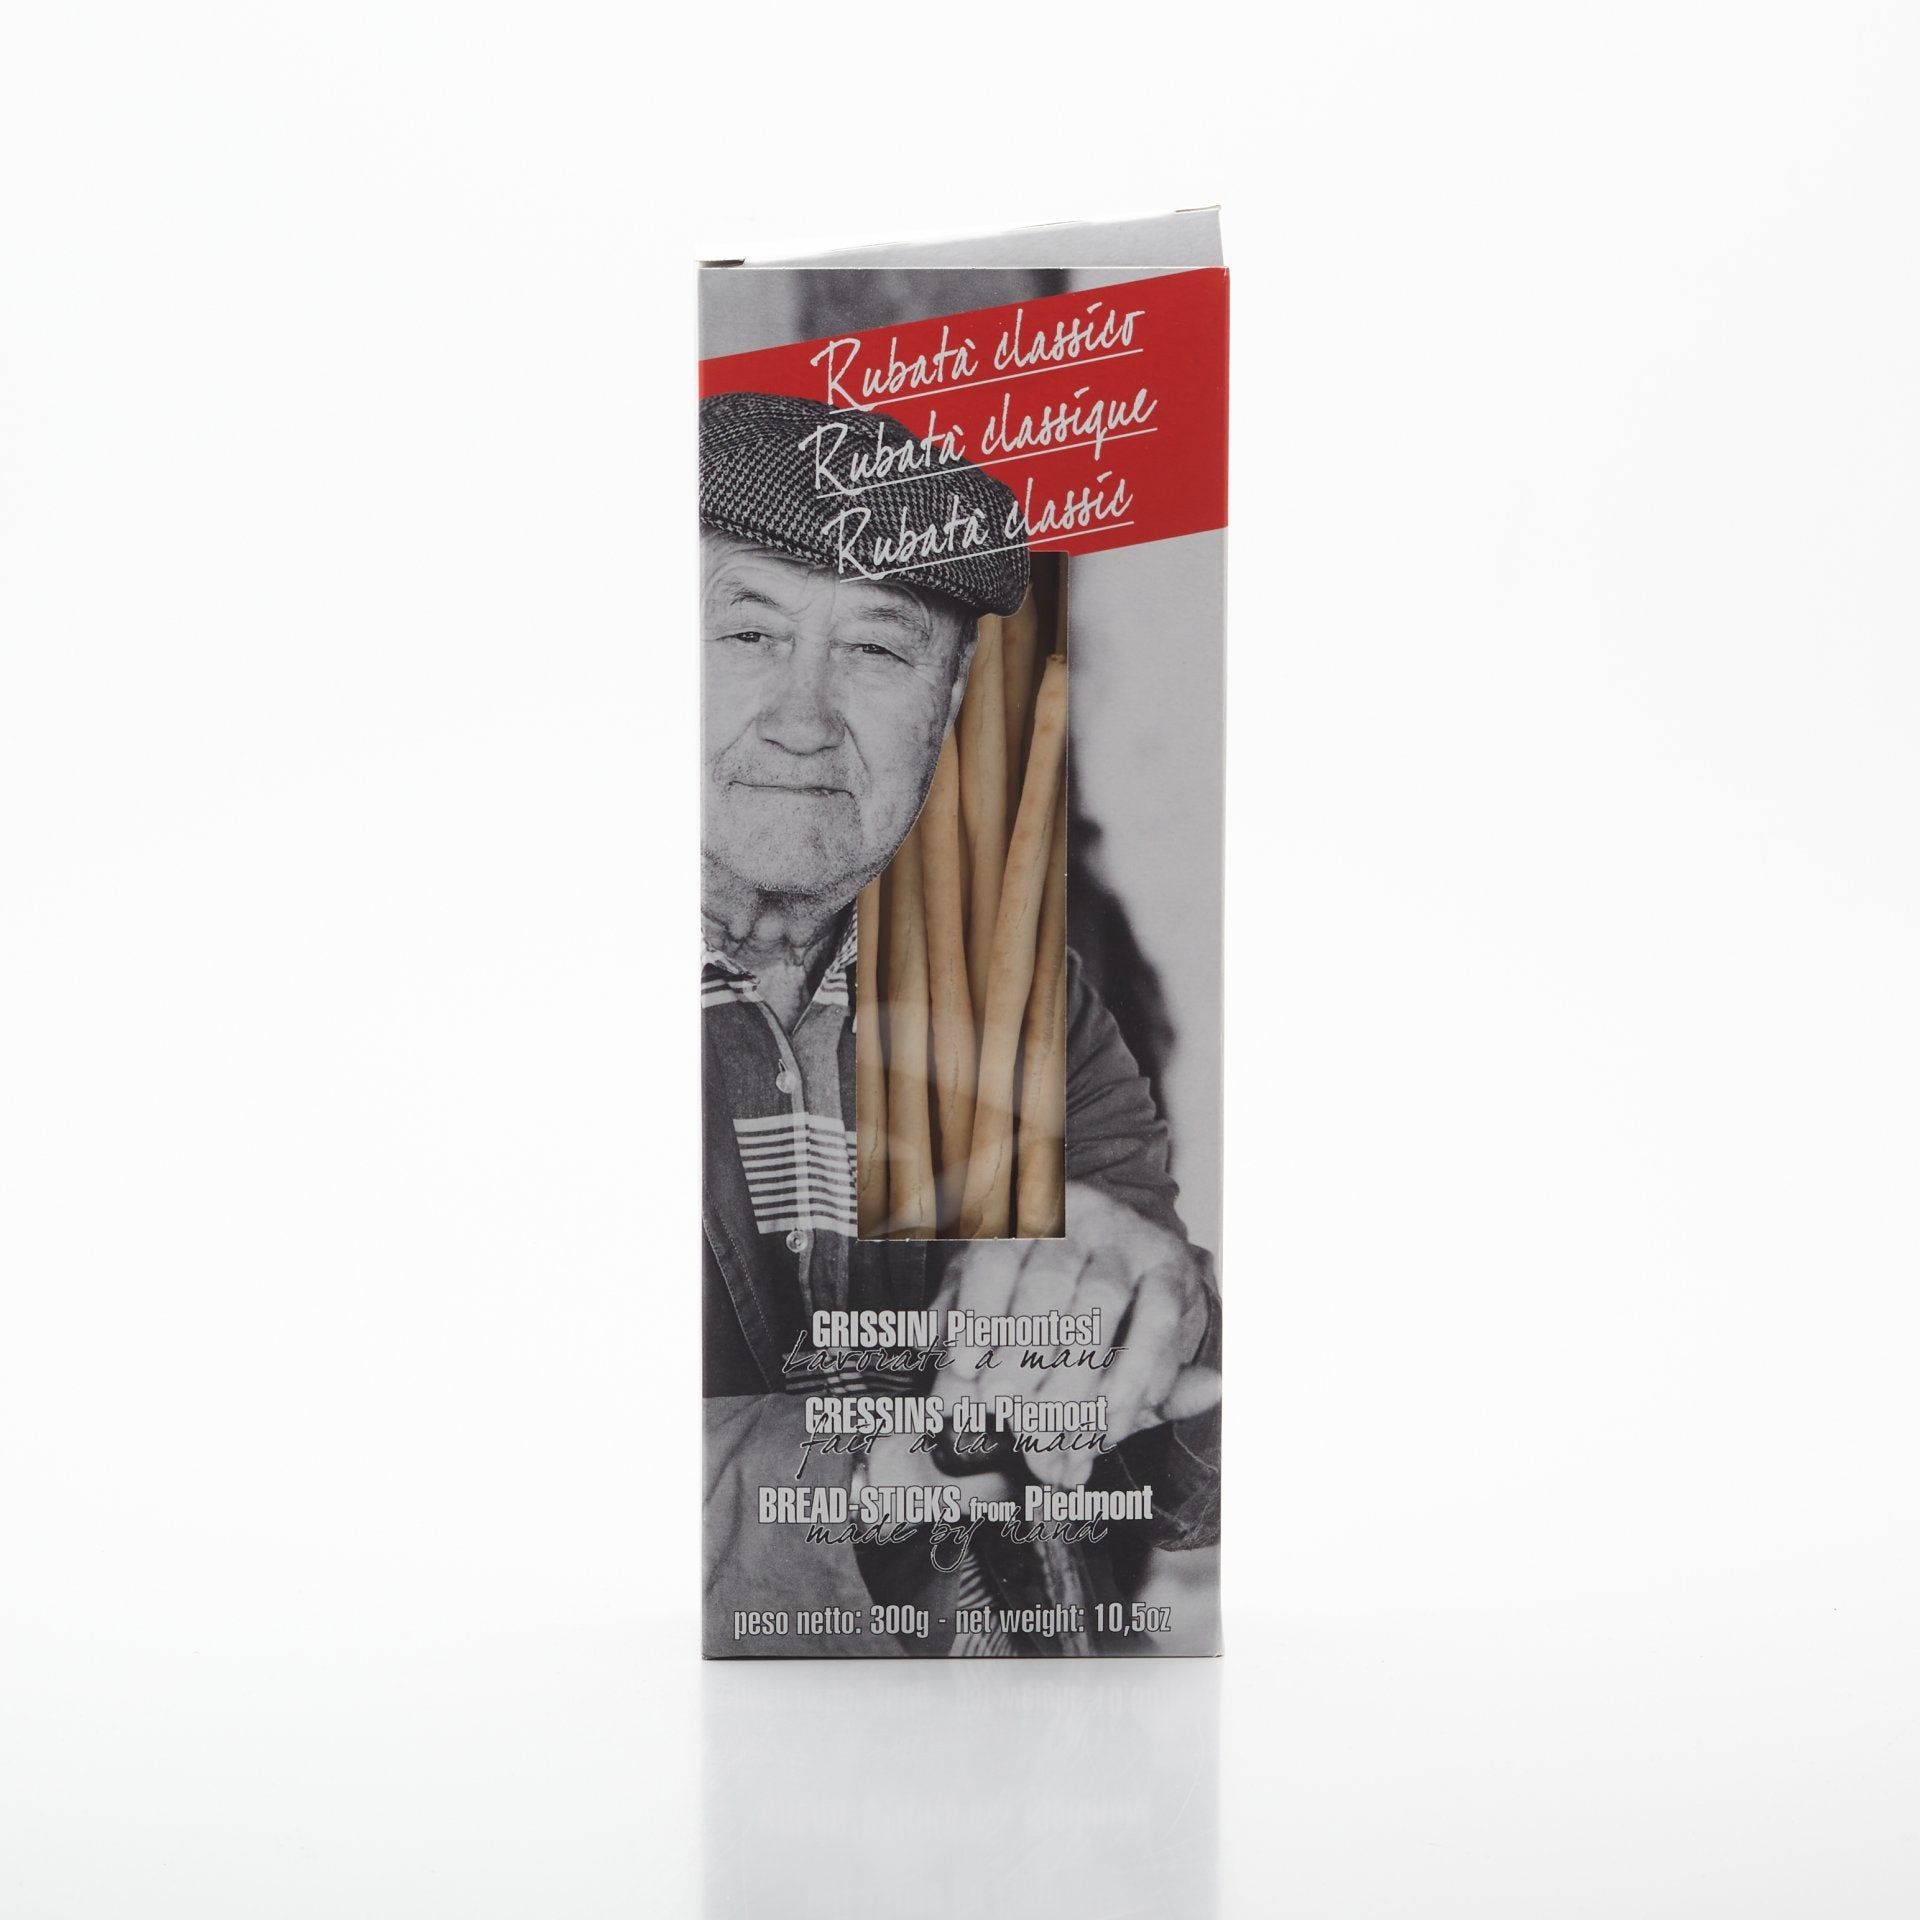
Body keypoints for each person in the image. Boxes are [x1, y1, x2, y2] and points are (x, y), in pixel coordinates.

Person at [700, 390, 1220, 1656]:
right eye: (747, 632)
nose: (804, 718)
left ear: (948, 700)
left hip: (1022, 1747)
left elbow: (1185, 1459)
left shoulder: (1019, 1006)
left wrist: (1157, 1311)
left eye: (878, 651)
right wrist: (873, 1465)